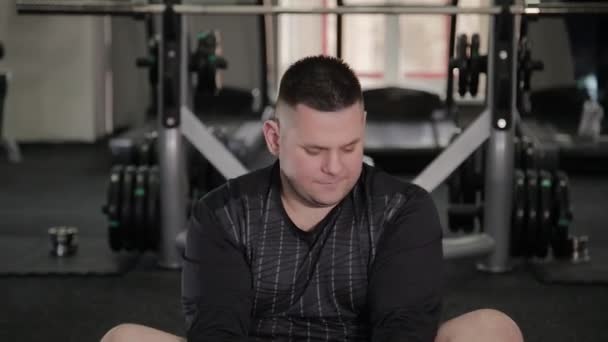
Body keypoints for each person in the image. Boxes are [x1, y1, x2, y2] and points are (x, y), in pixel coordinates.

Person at [101, 55, 523, 342]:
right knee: (123, 339)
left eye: (349, 147)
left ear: (363, 126)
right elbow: (218, 331)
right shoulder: (223, 214)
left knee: (492, 330)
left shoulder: (402, 210)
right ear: (274, 138)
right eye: (315, 151)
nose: (335, 167)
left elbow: (404, 329)